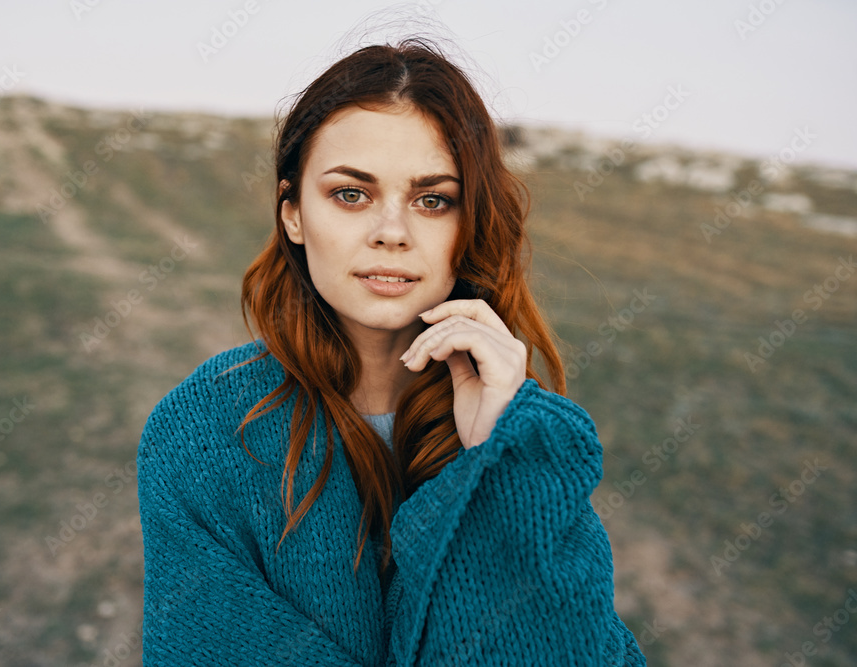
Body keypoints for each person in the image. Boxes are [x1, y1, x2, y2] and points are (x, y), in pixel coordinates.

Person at [138, 36, 646, 666]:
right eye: (351, 194)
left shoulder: (526, 432)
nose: (392, 233)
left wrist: (499, 455)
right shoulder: (202, 432)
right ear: (293, 213)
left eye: (433, 200)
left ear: (470, 223)